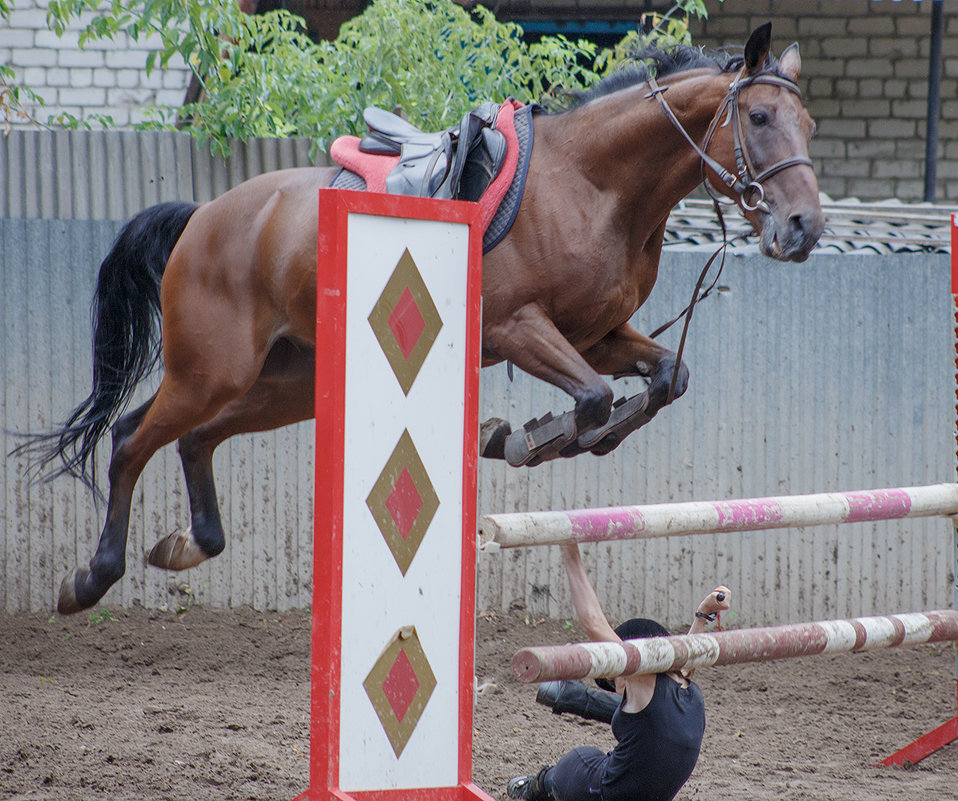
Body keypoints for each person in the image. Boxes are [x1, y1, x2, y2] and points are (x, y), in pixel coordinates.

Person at [506, 542, 730, 801]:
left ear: (639, 663)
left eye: (617, 676)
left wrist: (570, 553)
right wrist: (702, 615)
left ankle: (536, 785)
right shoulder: (686, 684)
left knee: (578, 759)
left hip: (602, 793)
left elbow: (593, 622)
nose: (617, 686)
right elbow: (685, 657)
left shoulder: (644, 679)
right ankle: (567, 697)